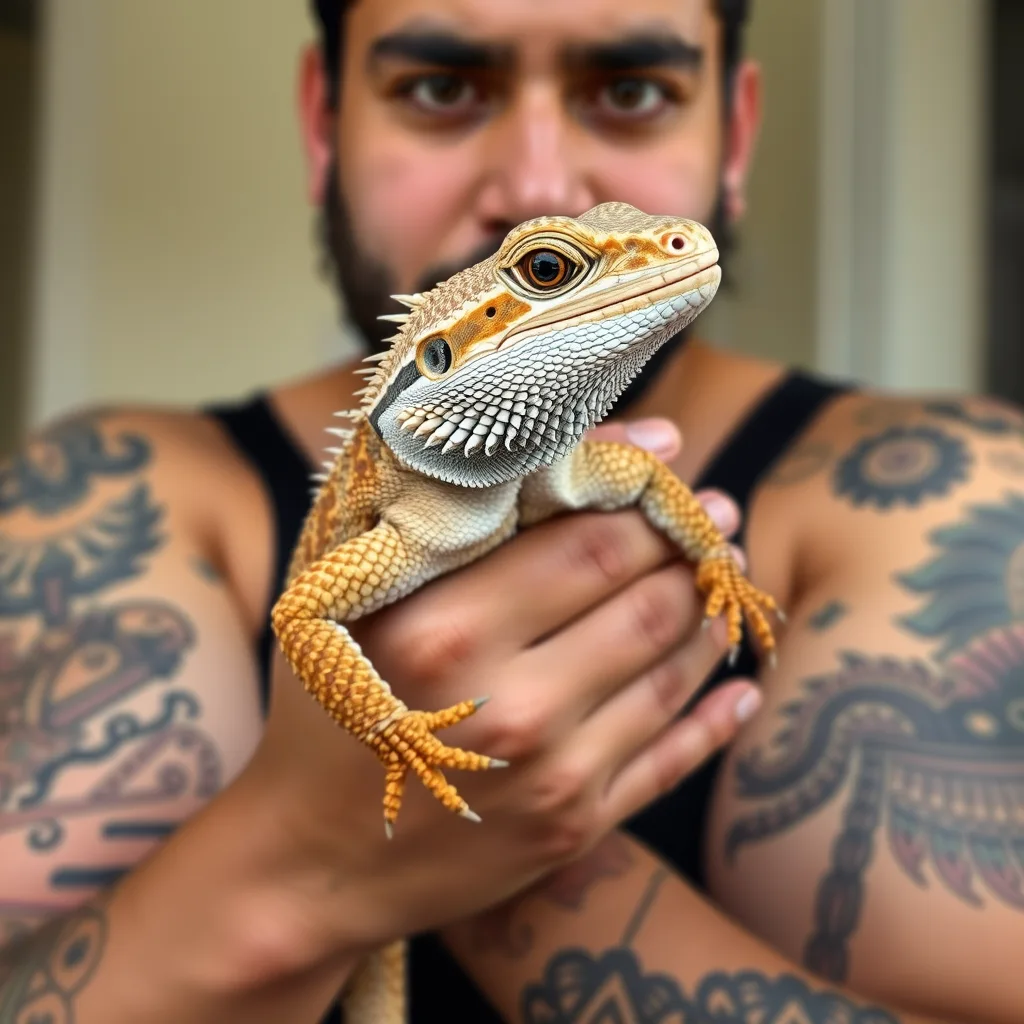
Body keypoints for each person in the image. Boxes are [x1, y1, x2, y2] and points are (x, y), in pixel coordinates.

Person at [1, 0, 1022, 1021]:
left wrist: (709, 562)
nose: (539, 183)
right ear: (323, 128)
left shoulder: (947, 485)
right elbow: (306, 614)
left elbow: (641, 481)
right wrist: (319, 836)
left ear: (736, 136)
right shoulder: (117, 494)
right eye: (441, 89)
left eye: (631, 92)